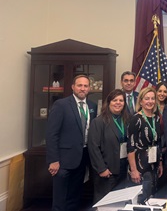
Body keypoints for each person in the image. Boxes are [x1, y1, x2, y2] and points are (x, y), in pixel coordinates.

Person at [46, 75, 97, 211]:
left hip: (82, 159)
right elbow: (52, 134)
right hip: (63, 161)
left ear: (89, 88)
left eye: (85, 86)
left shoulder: (92, 106)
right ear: (73, 87)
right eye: (79, 85)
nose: (82, 88)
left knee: (74, 197)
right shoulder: (61, 105)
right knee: (60, 199)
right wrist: (53, 160)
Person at [88, 89, 130, 204]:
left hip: (122, 168)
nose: (118, 103)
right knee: (104, 204)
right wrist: (102, 169)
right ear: (109, 102)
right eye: (115, 100)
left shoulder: (126, 120)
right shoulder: (99, 121)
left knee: (119, 202)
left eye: (121, 100)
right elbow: (93, 148)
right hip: (107, 171)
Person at [127, 87, 163, 204]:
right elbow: (131, 146)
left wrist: (160, 163)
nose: (150, 101)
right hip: (140, 165)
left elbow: (158, 143)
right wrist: (134, 170)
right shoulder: (136, 119)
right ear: (141, 101)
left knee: (153, 198)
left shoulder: (156, 118)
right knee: (142, 199)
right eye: (147, 98)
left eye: (153, 98)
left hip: (154, 165)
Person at [154, 82, 167, 197]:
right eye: (160, 91)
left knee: (165, 179)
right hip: (153, 148)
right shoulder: (150, 106)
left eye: (165, 91)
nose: (162, 94)